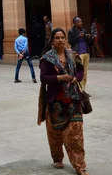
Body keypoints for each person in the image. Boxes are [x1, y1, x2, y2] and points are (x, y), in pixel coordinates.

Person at [38, 28, 89, 175]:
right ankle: (57, 157)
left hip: (73, 100)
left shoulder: (73, 55)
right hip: (56, 102)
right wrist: (59, 78)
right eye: (57, 38)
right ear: (52, 41)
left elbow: (80, 70)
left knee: (76, 135)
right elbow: (43, 78)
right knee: (55, 134)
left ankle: (80, 166)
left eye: (62, 37)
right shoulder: (47, 58)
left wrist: (75, 78)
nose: (60, 40)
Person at [68, 17, 91, 91]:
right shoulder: (71, 31)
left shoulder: (83, 30)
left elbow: (88, 42)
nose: (81, 23)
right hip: (78, 53)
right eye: (79, 22)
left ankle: (83, 89)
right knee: (78, 72)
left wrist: (88, 37)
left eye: (81, 21)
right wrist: (78, 37)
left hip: (86, 52)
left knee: (85, 72)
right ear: (75, 23)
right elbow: (70, 42)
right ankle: (79, 89)